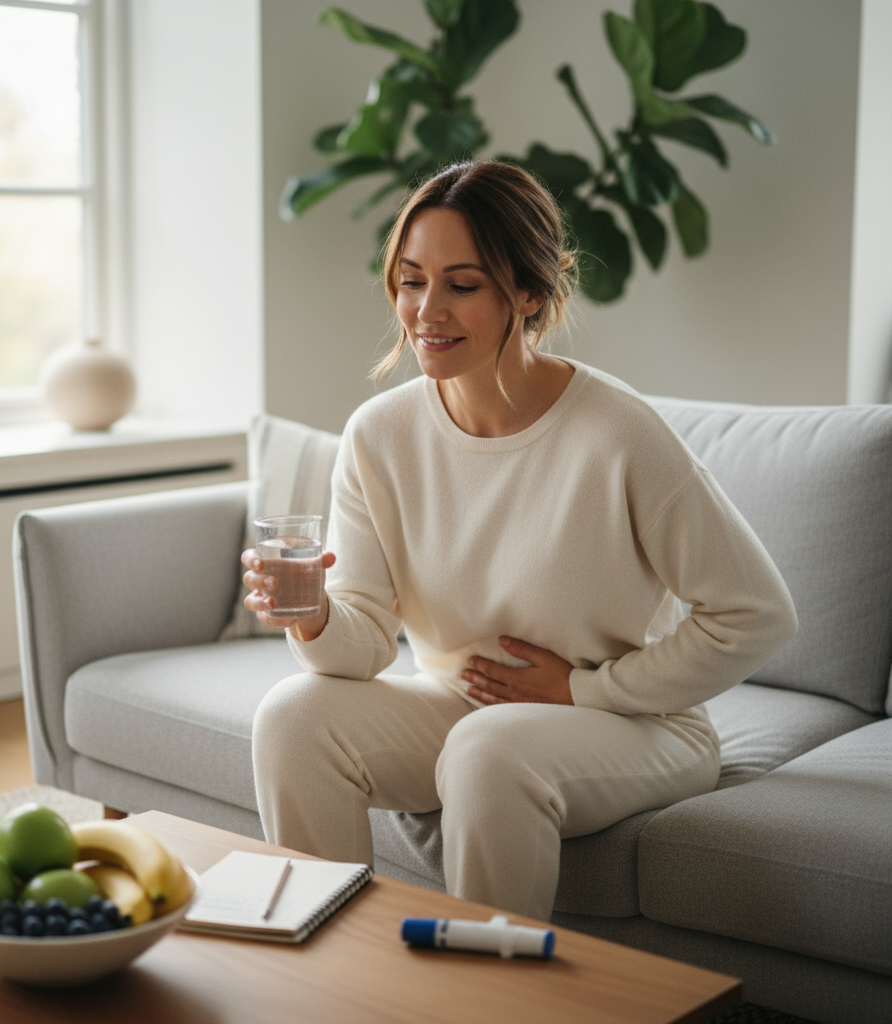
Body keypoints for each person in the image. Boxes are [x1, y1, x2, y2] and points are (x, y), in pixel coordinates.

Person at [241, 160, 797, 921]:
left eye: (462, 285)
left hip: (637, 725)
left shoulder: (617, 432)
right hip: (466, 703)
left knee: (488, 751)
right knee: (292, 716)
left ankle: (486, 981)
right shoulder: (379, 435)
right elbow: (364, 642)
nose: (426, 310)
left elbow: (758, 614)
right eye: (411, 281)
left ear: (529, 294)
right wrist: (313, 616)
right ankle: (331, 967)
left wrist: (584, 689)